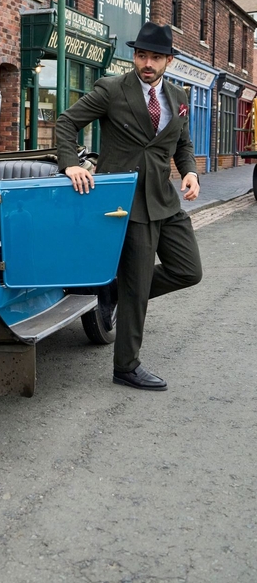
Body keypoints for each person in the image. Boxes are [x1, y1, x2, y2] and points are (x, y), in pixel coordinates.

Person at [55, 21, 203, 391]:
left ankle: (114, 289)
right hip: (126, 201)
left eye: (155, 57)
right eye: (141, 55)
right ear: (134, 57)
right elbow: (66, 122)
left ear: (168, 60)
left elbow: (181, 143)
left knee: (189, 270)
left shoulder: (178, 98)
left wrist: (190, 172)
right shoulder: (112, 89)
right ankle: (126, 367)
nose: (147, 63)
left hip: (164, 199)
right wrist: (70, 162)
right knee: (139, 284)